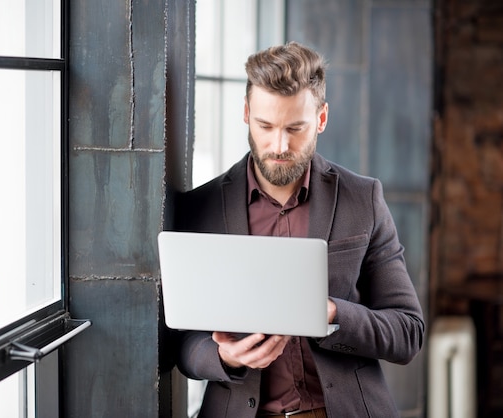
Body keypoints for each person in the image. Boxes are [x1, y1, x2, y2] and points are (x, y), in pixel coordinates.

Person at [170, 41, 425, 418]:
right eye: (266, 126)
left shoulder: (362, 199)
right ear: (245, 113)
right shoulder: (200, 209)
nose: (279, 144)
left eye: (295, 128)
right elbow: (178, 341)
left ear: (321, 119)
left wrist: (333, 313)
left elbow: (408, 332)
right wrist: (222, 356)